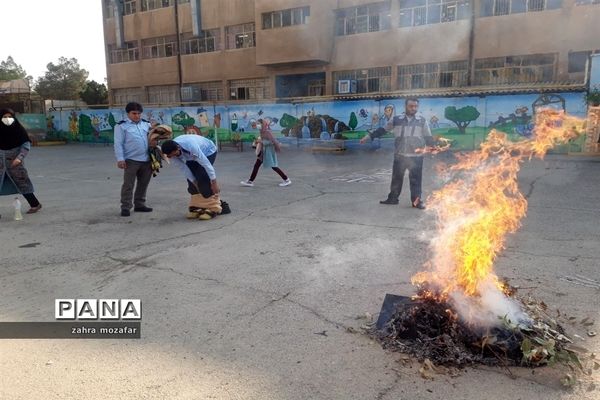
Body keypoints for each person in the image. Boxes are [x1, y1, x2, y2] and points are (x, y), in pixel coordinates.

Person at [360, 98, 433, 209]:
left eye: (415, 106)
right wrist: (369, 136)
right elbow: (383, 130)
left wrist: (432, 149)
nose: (413, 108)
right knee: (396, 179)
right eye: (411, 106)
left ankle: (416, 202)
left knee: (416, 181)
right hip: (400, 156)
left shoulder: (422, 120)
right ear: (405, 106)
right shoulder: (396, 119)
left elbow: (428, 136)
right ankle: (393, 198)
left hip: (416, 157)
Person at [161, 135, 229, 220]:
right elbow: (184, 169)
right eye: (171, 156)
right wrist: (195, 184)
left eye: (175, 154)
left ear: (178, 148)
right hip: (190, 157)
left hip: (208, 151)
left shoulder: (191, 146)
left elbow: (206, 165)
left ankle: (215, 207)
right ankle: (198, 206)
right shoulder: (171, 154)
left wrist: (214, 183)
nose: (175, 157)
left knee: (202, 178)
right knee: (192, 183)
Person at [114, 102, 153, 217]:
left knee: (143, 183)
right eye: (134, 113)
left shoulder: (146, 124)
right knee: (128, 184)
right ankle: (125, 207)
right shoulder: (121, 126)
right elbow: (118, 143)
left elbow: (153, 138)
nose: (136, 115)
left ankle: (140, 204)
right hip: (131, 160)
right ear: (128, 113)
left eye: (139, 113)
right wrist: (120, 159)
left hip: (147, 159)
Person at [0, 108, 42, 215]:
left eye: (10, 117)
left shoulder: (19, 130)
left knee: (23, 184)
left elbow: (26, 145)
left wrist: (19, 158)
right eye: (4, 117)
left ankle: (35, 204)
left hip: (16, 166)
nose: (7, 119)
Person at [240, 118, 291, 187]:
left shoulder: (267, 132)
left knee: (274, 166)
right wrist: (258, 141)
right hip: (263, 152)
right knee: (257, 165)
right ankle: (250, 181)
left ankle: (287, 180)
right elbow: (259, 134)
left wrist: (261, 142)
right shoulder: (262, 131)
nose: (257, 125)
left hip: (268, 152)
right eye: (257, 123)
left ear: (262, 124)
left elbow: (272, 141)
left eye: (259, 123)